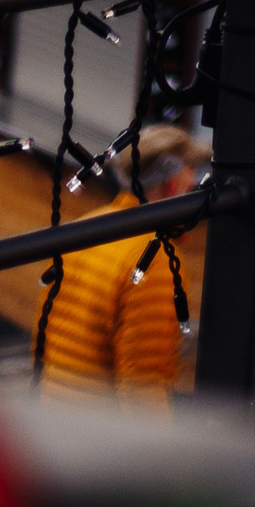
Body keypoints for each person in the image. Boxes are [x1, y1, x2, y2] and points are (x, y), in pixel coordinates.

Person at [34, 124, 200, 396]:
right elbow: (143, 390)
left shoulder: (83, 229)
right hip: (104, 432)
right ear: (172, 187)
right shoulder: (155, 263)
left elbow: (42, 341)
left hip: (54, 419)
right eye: (190, 186)